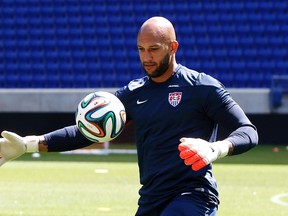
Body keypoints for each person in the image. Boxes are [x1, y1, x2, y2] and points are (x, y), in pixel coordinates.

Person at [0, 16, 258, 216]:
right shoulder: (133, 93)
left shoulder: (202, 87)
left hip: (193, 195)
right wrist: (28, 144)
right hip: (151, 198)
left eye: (154, 49)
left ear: (173, 46)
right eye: (141, 49)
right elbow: (88, 132)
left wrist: (216, 148)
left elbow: (248, 131)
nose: (147, 57)